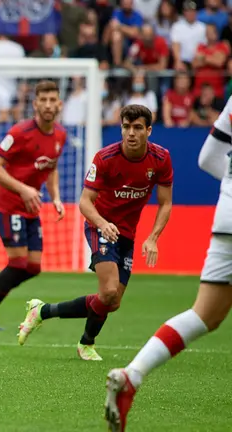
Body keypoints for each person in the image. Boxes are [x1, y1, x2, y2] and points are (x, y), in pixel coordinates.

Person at [103, 97, 232, 431]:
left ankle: (132, 375)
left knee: (206, 314)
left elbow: (209, 158)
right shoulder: (107, 158)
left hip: (226, 216)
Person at [17, 104, 174, 361]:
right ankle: (86, 344)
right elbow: (84, 202)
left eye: (137, 128)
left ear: (149, 130)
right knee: (109, 291)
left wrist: (153, 237)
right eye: (126, 127)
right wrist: (102, 223)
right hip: (99, 225)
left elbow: (166, 202)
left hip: (127, 233)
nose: (131, 133)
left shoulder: (160, 159)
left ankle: (42, 311)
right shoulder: (105, 158)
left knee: (112, 301)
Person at [0, 80, 66, 331]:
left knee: (33, 266)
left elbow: (51, 167)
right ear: (35, 103)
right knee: (17, 262)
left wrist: (56, 197)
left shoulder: (60, 134)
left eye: (53, 100)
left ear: (59, 104)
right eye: (44, 100)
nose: (48, 105)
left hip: (30, 206)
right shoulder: (20, 132)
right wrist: (24, 188)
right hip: (7, 204)